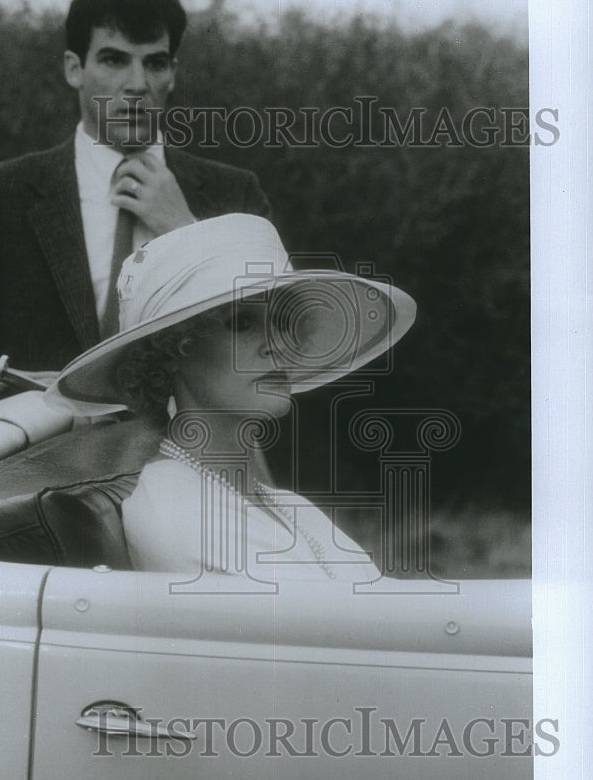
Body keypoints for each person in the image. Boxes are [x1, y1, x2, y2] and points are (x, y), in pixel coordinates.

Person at [0, 0, 271, 372]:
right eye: (114, 60)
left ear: (172, 73)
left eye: (154, 63)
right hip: (48, 434)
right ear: (74, 69)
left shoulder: (234, 193)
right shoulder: (0, 195)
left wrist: (185, 232)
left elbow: (277, 338)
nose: (136, 84)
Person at [55, 214, 417, 583]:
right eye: (241, 322)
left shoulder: (289, 505)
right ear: (170, 351)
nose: (277, 345)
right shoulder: (177, 510)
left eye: (282, 322)